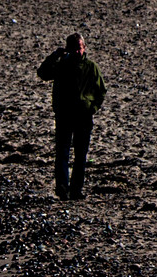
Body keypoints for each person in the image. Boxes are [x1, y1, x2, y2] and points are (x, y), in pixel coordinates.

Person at [36, 33, 106, 200]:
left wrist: (92, 107)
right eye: (74, 49)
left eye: (79, 48)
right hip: (64, 115)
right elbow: (43, 73)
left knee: (81, 155)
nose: (77, 52)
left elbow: (101, 90)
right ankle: (62, 189)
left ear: (84, 48)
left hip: (83, 116)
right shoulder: (61, 65)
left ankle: (76, 190)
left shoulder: (91, 67)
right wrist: (54, 56)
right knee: (62, 153)